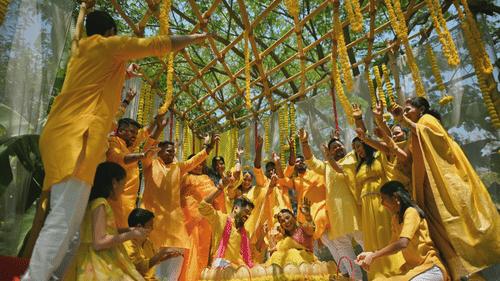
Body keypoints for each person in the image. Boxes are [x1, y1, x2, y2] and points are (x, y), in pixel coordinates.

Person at [24, 9, 214, 280]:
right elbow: (154, 45)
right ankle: (35, 277)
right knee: (64, 220)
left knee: (74, 226)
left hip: (62, 136)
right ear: (111, 32)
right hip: (78, 139)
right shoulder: (107, 44)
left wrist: (123, 76)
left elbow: (94, 86)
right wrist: (196, 36)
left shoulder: (81, 53)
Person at [388, 97, 500, 280]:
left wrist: (403, 120)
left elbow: (435, 138)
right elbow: (404, 156)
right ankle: (464, 274)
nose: (406, 112)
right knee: (443, 235)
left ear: (421, 109)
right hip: (428, 188)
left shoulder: (427, 121)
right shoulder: (414, 128)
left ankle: (476, 275)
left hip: (442, 185)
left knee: (457, 229)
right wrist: (382, 136)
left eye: (408, 109)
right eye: (405, 111)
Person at [140, 119, 219, 281]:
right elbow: (146, 150)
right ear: (159, 151)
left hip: (173, 223)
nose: (172, 153)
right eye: (168, 151)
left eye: (173, 151)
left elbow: (193, 161)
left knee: (175, 260)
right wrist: (158, 129)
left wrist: (208, 147)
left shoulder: (177, 167)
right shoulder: (150, 164)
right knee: (151, 260)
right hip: (152, 220)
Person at [322, 132, 405, 280]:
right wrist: (328, 156)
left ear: (366, 145)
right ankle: (376, 273)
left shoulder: (379, 156)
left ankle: (396, 269)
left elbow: (388, 150)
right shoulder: (357, 165)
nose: (357, 150)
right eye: (354, 147)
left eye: (358, 146)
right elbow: (340, 169)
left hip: (381, 201)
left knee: (385, 233)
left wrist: (366, 131)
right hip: (366, 206)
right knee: (371, 238)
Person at [297, 128, 364, 280]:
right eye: (333, 147)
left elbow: (340, 168)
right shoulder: (326, 166)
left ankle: (377, 275)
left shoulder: (353, 157)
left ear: (345, 147)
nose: (337, 148)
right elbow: (311, 161)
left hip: (354, 210)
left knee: (365, 243)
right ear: (330, 152)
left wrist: (330, 151)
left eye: (339, 145)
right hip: (336, 215)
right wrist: (305, 142)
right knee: (345, 252)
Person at [65, 162, 147, 280]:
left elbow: (103, 232)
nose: (123, 190)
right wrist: (131, 234)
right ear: (114, 183)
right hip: (99, 261)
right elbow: (99, 242)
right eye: (123, 184)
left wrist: (128, 229)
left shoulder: (95, 202)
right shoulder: (100, 203)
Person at [356, 181, 450, 281]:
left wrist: (374, 257)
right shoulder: (395, 219)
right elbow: (394, 246)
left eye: (383, 199)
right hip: (412, 270)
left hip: (431, 268)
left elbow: (402, 243)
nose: (382, 203)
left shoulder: (412, 212)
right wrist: (371, 253)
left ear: (396, 196)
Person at [178, 155, 228, 281]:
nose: (199, 166)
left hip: (205, 221)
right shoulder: (185, 178)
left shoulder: (206, 177)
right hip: (189, 220)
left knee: (203, 251)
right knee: (190, 251)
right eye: (196, 164)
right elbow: (182, 198)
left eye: (201, 164)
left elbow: (214, 195)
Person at [106, 117, 162, 228]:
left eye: (135, 133)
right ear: (121, 130)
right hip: (118, 201)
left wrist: (157, 120)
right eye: (132, 132)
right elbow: (117, 157)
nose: (135, 136)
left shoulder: (128, 147)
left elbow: (144, 133)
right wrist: (143, 155)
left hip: (129, 202)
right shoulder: (113, 142)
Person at [199, 182, 266, 269]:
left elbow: (252, 255)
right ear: (236, 208)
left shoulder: (245, 234)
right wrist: (219, 188)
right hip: (222, 267)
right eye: (246, 212)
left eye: (249, 214)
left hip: (240, 269)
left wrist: (262, 236)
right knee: (221, 263)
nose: (248, 216)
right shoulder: (220, 219)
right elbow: (203, 207)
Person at [124, 208, 184, 281]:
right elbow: (141, 266)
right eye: (150, 225)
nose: (152, 228)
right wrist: (164, 252)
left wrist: (169, 255)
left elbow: (154, 259)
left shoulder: (147, 241)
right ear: (139, 226)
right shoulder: (129, 243)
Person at [266, 198, 317, 267]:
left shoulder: (302, 228)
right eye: (283, 221)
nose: (286, 221)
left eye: (287, 218)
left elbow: (311, 230)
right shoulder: (284, 236)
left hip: (305, 263)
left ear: (293, 216)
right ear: (282, 225)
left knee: (292, 252)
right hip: (288, 268)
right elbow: (273, 254)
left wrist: (308, 217)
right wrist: (272, 235)